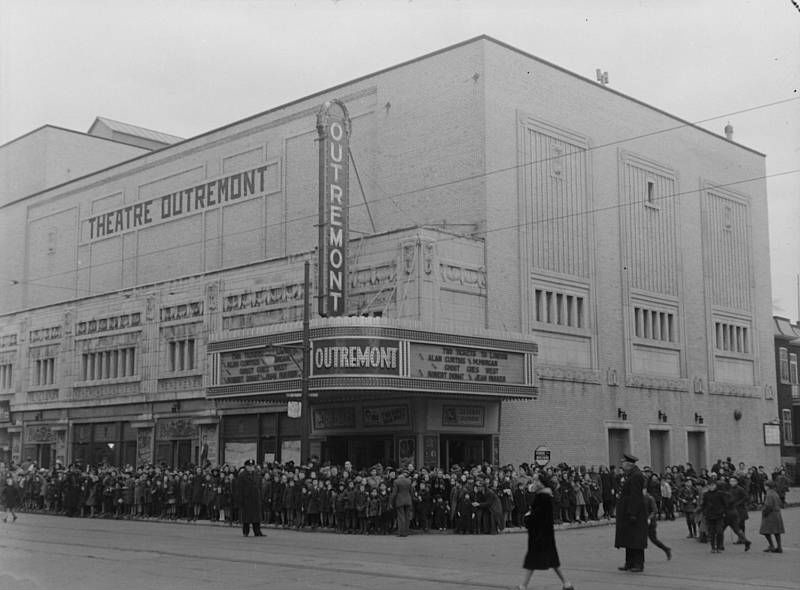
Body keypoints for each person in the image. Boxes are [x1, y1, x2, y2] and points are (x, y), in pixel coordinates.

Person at [517, 474, 574, 590]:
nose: (533, 482)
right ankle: (566, 583)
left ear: (540, 482)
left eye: (535, 480)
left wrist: (528, 518)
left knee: (534, 560)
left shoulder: (543, 497)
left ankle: (523, 586)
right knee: (550, 561)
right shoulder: (542, 495)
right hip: (544, 534)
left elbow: (539, 516)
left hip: (541, 534)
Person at [614, 453, 648, 573]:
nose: (622, 465)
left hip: (635, 513)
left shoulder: (636, 476)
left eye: (623, 463)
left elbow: (636, 496)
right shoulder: (630, 475)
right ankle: (629, 562)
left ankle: (638, 564)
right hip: (627, 511)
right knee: (629, 538)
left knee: (636, 539)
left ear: (629, 464)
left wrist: (632, 513)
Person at [236, 460, 264, 537]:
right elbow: (239, 489)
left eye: (252, 466)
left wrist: (260, 496)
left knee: (256, 517)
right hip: (246, 499)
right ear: (246, 466)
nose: (251, 468)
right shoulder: (242, 475)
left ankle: (257, 531)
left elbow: (259, 486)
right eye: (249, 466)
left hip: (255, 499)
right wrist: (241, 500)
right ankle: (246, 531)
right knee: (246, 518)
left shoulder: (256, 474)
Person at [644, 490, 671, 560]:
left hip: (650, 523)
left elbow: (655, 510)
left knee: (654, 539)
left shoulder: (650, 498)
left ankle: (666, 549)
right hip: (642, 522)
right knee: (639, 540)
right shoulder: (639, 498)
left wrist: (649, 518)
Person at [759, 480, 785, 553]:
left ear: (767, 486)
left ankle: (771, 545)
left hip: (770, 514)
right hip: (777, 514)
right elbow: (780, 503)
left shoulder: (769, 494)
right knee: (777, 531)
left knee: (765, 531)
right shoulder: (775, 493)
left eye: (765, 486)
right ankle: (779, 547)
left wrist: (764, 512)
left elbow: (768, 505)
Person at [390, 468, 413, 537]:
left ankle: (401, 532)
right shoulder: (409, 481)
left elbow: (394, 493)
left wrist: (391, 501)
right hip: (408, 500)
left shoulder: (396, 481)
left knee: (401, 517)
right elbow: (411, 492)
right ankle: (406, 532)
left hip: (400, 500)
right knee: (407, 517)